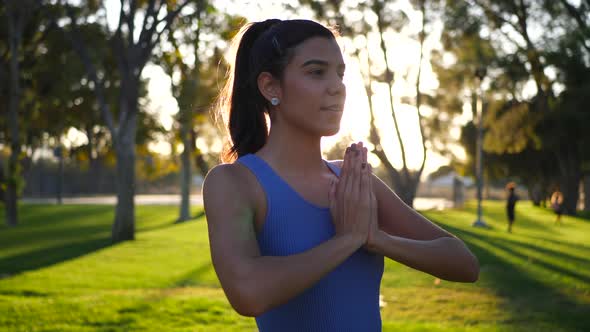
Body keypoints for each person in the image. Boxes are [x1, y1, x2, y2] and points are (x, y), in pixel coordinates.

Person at [202, 19, 479, 332]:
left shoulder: (353, 181)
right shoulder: (235, 183)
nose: (337, 87)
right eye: (316, 72)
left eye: (340, 73)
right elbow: (248, 293)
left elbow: (465, 264)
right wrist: (347, 241)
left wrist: (378, 240)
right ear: (271, 87)